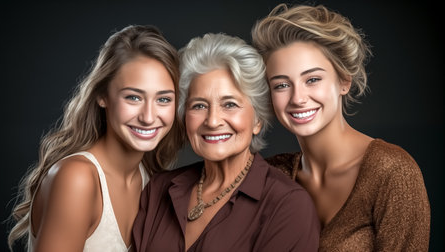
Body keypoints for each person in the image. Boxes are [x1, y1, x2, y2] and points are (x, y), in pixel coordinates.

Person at [252, 3, 430, 251]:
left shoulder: (393, 173)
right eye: (281, 85)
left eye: (312, 79)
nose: (297, 98)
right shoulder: (271, 174)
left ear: (344, 81)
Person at [132, 33, 320, 251]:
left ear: (257, 120)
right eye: (199, 106)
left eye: (229, 104)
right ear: (184, 118)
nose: (212, 121)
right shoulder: (158, 189)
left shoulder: (287, 205)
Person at [7, 25, 184, 251]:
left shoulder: (150, 180)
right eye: (133, 97)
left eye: (163, 99)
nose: (149, 117)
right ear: (102, 96)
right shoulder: (76, 177)